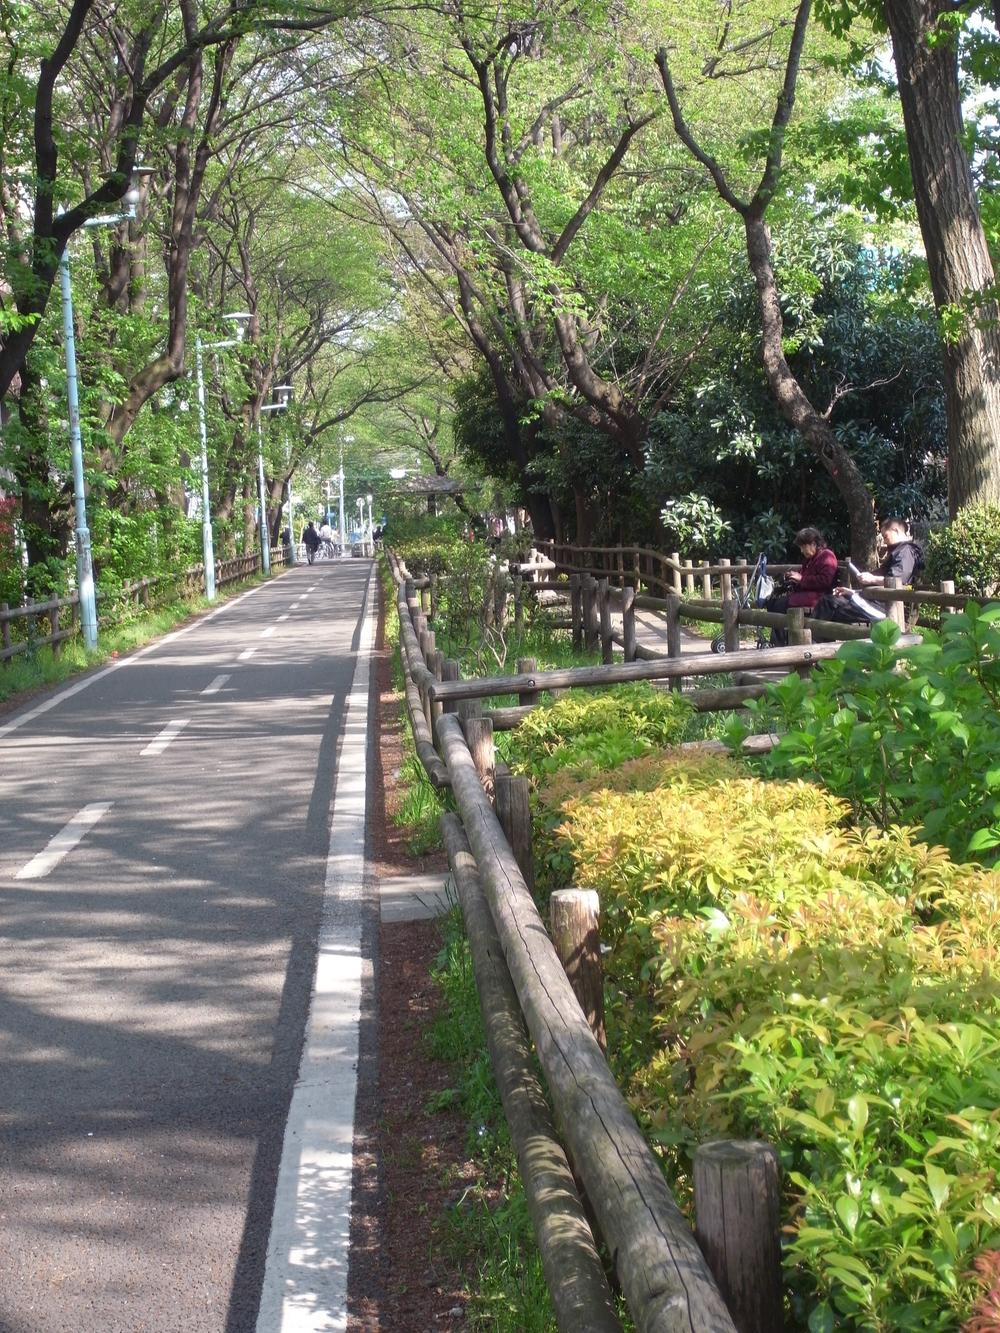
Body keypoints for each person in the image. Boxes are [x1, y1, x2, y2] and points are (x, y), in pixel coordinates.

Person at [812, 516, 924, 627]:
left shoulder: (906, 552)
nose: (884, 541)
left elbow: (896, 581)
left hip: (891, 609)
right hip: (880, 603)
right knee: (829, 602)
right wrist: (854, 592)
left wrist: (872, 578)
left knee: (828, 604)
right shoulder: (901, 551)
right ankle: (819, 641)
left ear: (896, 530)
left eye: (885, 536)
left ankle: (816, 642)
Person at [766, 526, 838, 646]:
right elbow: (804, 576)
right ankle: (780, 642)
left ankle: (781, 644)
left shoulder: (827, 556)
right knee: (773, 603)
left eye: (803, 547)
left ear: (813, 544)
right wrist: (793, 578)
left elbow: (825, 581)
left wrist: (801, 579)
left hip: (820, 597)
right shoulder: (810, 559)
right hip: (807, 594)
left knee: (779, 605)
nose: (801, 551)